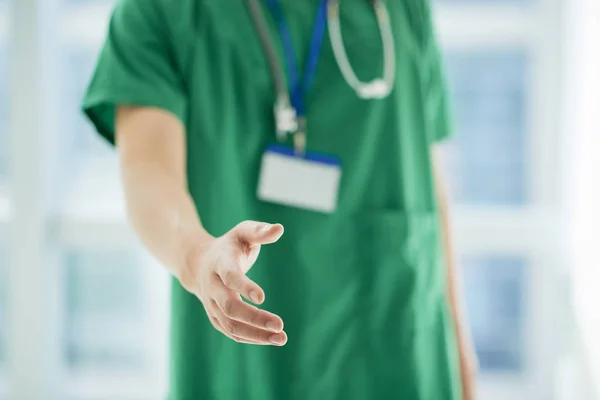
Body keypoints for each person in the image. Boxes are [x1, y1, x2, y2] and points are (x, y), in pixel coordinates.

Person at [82, 0, 477, 398]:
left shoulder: (402, 8)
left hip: (399, 337)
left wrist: (462, 356)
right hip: (246, 352)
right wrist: (196, 256)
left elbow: (425, 173)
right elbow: (148, 173)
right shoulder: (160, 11)